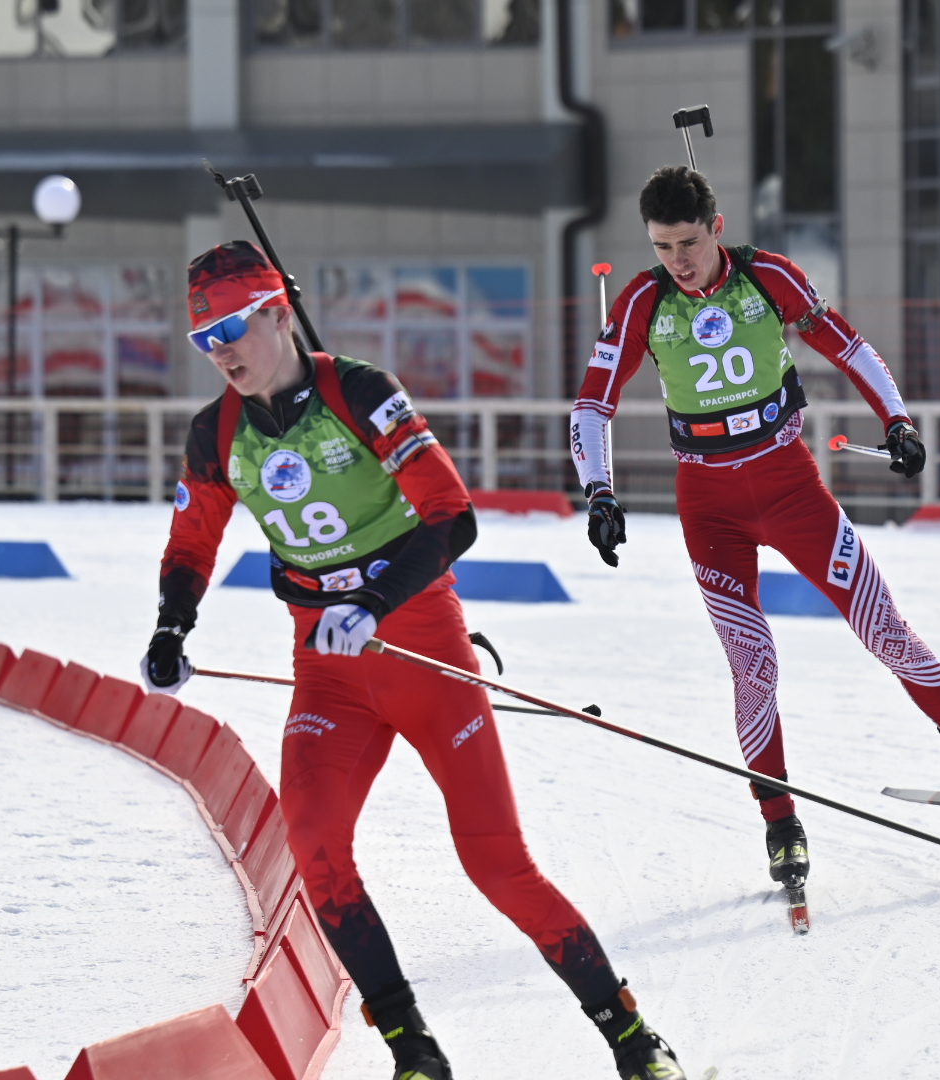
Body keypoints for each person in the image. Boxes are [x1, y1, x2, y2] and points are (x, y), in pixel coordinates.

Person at [142, 241, 687, 1080]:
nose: (221, 351)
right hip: (328, 669)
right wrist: (172, 626)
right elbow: (193, 539)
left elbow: (451, 516)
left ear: (278, 313)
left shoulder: (359, 391)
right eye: (204, 339)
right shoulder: (215, 433)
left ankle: (629, 1035)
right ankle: (413, 1049)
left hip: (421, 645)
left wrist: (370, 602)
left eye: (234, 329)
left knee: (496, 864)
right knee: (315, 845)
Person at [569, 167, 940, 894]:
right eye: (663, 245)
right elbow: (590, 406)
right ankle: (780, 823)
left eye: (690, 242)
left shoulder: (769, 278)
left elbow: (851, 347)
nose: (679, 260)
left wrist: (897, 420)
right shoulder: (644, 300)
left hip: (791, 486)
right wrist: (598, 493)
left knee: (884, 629)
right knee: (753, 663)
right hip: (709, 508)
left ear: (717, 228)